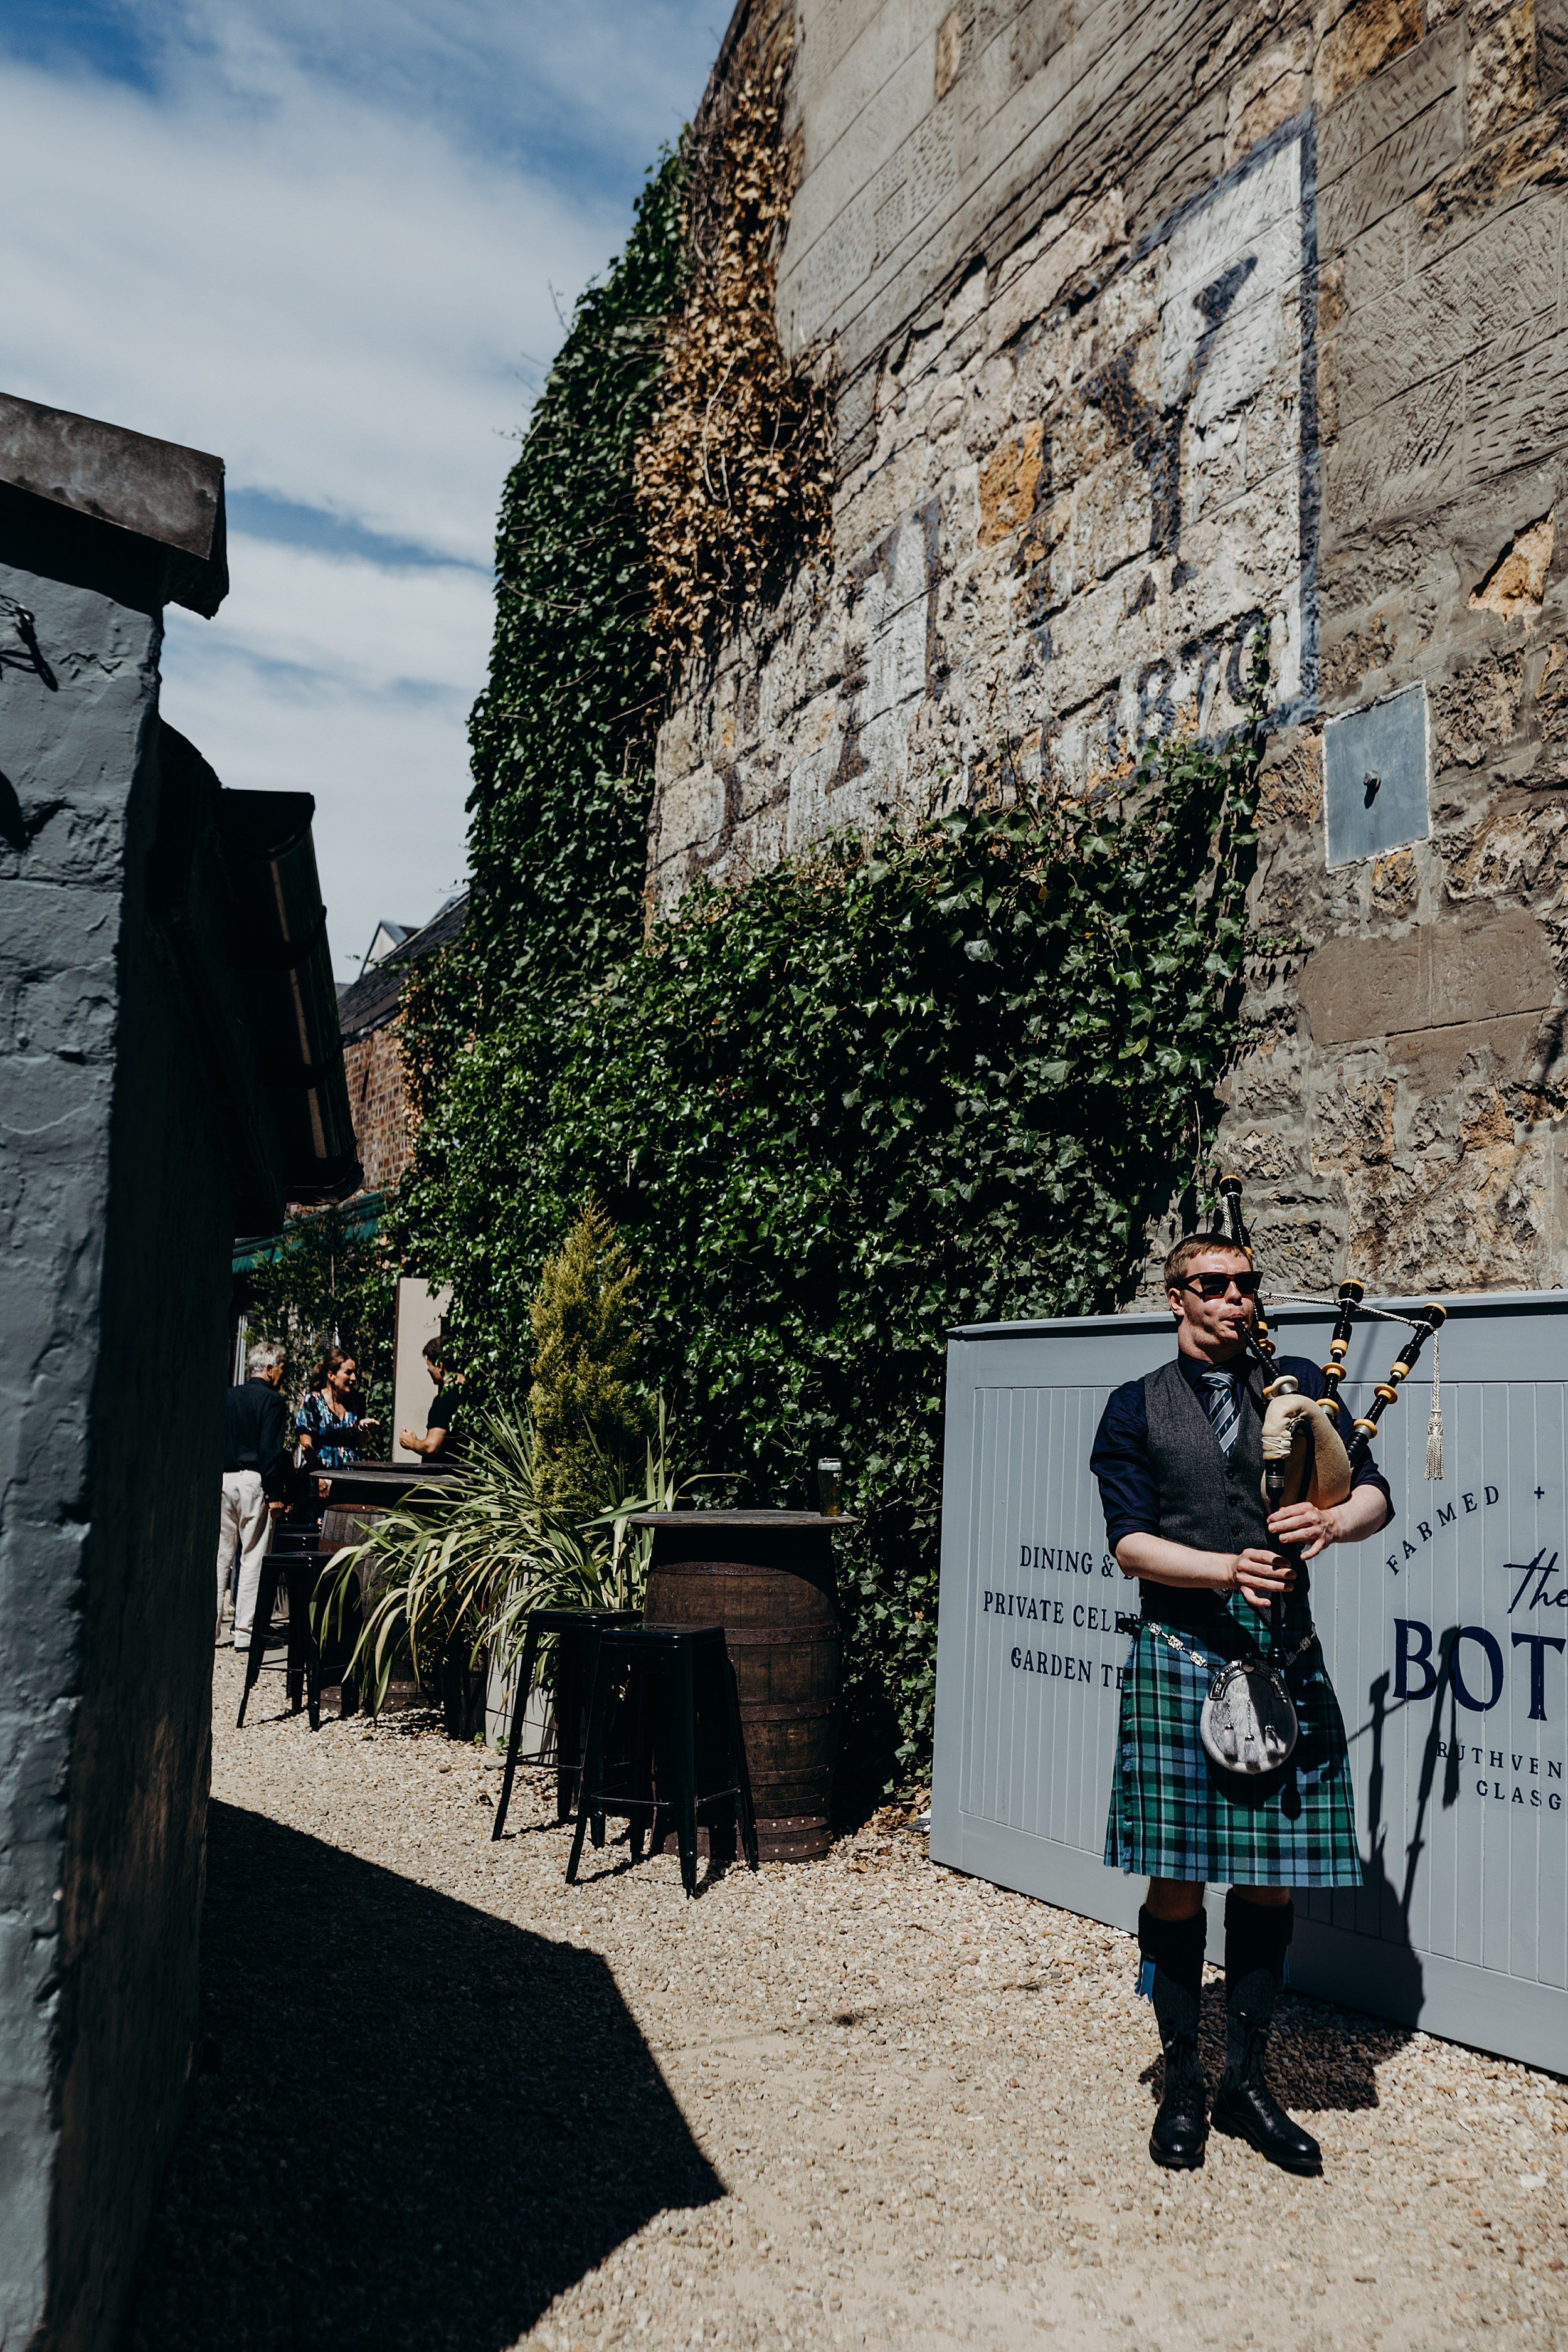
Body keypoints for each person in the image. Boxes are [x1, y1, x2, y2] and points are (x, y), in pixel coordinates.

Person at [1089, 1232, 1394, 2176]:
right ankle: (1183, 2077)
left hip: (1284, 1652)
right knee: (1177, 1875)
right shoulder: (1133, 1405)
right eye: (1215, 1284)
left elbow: (1378, 1492)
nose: (1237, 1297)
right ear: (1175, 1296)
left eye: (1248, 1283)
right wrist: (1226, 1566)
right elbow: (1131, 1545)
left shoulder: (1297, 1379)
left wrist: (1333, 1521)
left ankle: (1247, 2081)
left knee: (1269, 1875)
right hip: (1182, 1650)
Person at [220, 1340, 291, 1653]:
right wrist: (276, 1494)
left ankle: (211, 1629)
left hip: (223, 1479)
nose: (282, 1374)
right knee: (252, 1559)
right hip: (253, 1481)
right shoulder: (273, 1401)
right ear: (269, 1368)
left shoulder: (228, 1396)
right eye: (281, 1368)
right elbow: (271, 1450)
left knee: (220, 1558)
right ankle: (246, 1634)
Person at [295, 1347, 378, 1483]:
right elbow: (306, 1445)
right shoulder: (313, 1402)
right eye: (348, 1373)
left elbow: (360, 1443)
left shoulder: (356, 1402)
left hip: (349, 1476)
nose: (354, 1378)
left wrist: (362, 1428)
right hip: (318, 1471)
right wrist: (320, 1478)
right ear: (331, 1375)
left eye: (355, 1373)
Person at [398, 1334, 458, 1462]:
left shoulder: (444, 1400)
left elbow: (432, 1446)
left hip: (443, 1478)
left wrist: (412, 1443)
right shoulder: (469, 1394)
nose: (428, 1370)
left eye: (429, 1365)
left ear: (440, 1367)